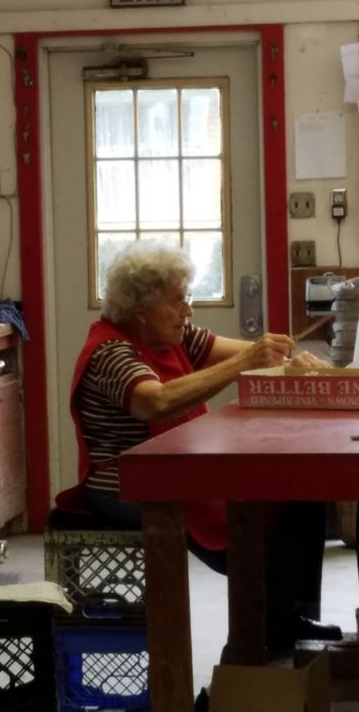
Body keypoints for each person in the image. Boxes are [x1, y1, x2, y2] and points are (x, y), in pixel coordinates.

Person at [59, 239, 332, 655]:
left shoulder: (172, 336)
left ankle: (290, 622)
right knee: (263, 532)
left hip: (180, 469)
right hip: (127, 484)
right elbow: (156, 401)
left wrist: (284, 358)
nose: (187, 312)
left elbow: (250, 353)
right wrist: (247, 362)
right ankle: (249, 653)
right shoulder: (111, 352)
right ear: (139, 308)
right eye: (177, 302)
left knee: (304, 495)